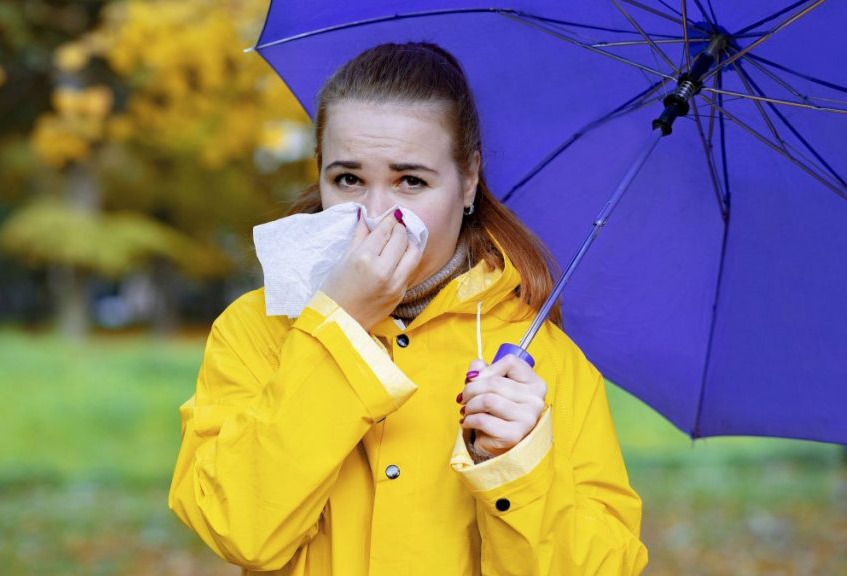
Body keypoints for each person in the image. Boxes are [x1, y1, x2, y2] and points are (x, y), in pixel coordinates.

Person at [169, 42, 648, 575]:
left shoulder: (540, 358)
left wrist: (518, 467)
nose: (375, 216)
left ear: (467, 181)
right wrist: (339, 324)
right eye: (348, 179)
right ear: (320, 174)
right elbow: (238, 528)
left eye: (411, 181)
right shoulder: (257, 329)